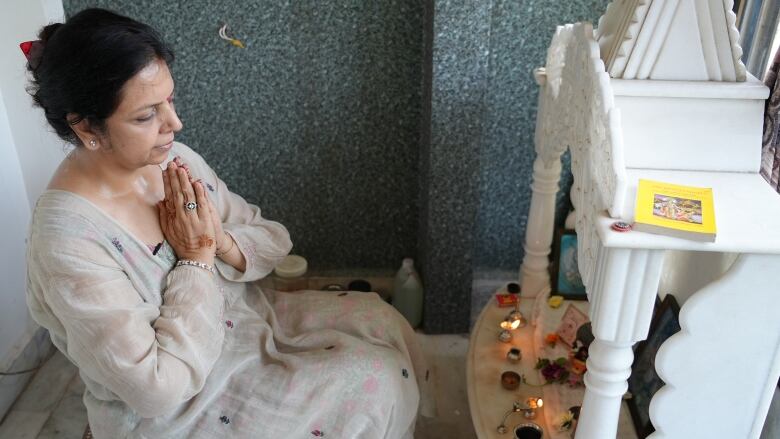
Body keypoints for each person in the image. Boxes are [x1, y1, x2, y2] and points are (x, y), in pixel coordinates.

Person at [23, 8, 432, 438]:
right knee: (373, 379)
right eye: (146, 116)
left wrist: (220, 243)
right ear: (85, 125)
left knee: (382, 323)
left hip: (248, 321)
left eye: (170, 100)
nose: (174, 124)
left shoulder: (175, 161)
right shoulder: (67, 243)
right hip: (179, 409)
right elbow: (155, 389)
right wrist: (196, 261)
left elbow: (272, 240)